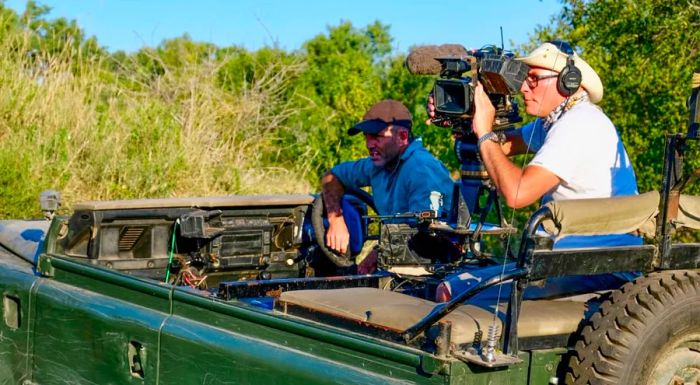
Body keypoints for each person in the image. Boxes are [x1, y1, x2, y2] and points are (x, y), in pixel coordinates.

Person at [427, 41, 640, 301]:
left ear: (567, 81)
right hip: (569, 259)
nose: (525, 88)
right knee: (449, 285)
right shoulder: (556, 121)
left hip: (597, 266)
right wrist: (463, 115)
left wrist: (484, 131)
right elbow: (502, 146)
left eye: (535, 79)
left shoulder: (579, 124)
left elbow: (517, 193)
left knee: (449, 293)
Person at [322, 99, 454, 272]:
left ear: (402, 137)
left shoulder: (421, 170)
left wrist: (378, 254)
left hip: (430, 268)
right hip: (396, 262)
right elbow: (331, 177)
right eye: (366, 137)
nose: (369, 145)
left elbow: (427, 236)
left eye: (377, 137)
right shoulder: (378, 164)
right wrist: (336, 219)